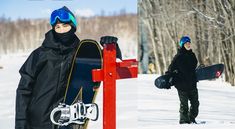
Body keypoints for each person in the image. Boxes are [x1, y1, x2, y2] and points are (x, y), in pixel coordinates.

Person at [15, 6, 122, 129]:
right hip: (37, 122)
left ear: (73, 26)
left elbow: (111, 64)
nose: (61, 30)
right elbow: (23, 90)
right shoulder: (39, 54)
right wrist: (20, 122)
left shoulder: (81, 54)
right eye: (57, 27)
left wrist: (112, 48)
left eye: (65, 26)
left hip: (67, 121)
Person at [167, 36, 199, 124]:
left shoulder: (192, 55)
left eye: (189, 43)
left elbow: (194, 67)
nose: (188, 44)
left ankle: (191, 118)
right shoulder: (178, 56)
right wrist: (168, 79)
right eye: (186, 43)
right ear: (182, 45)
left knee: (195, 105)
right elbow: (170, 69)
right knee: (184, 106)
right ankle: (184, 121)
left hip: (192, 84)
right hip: (181, 85)